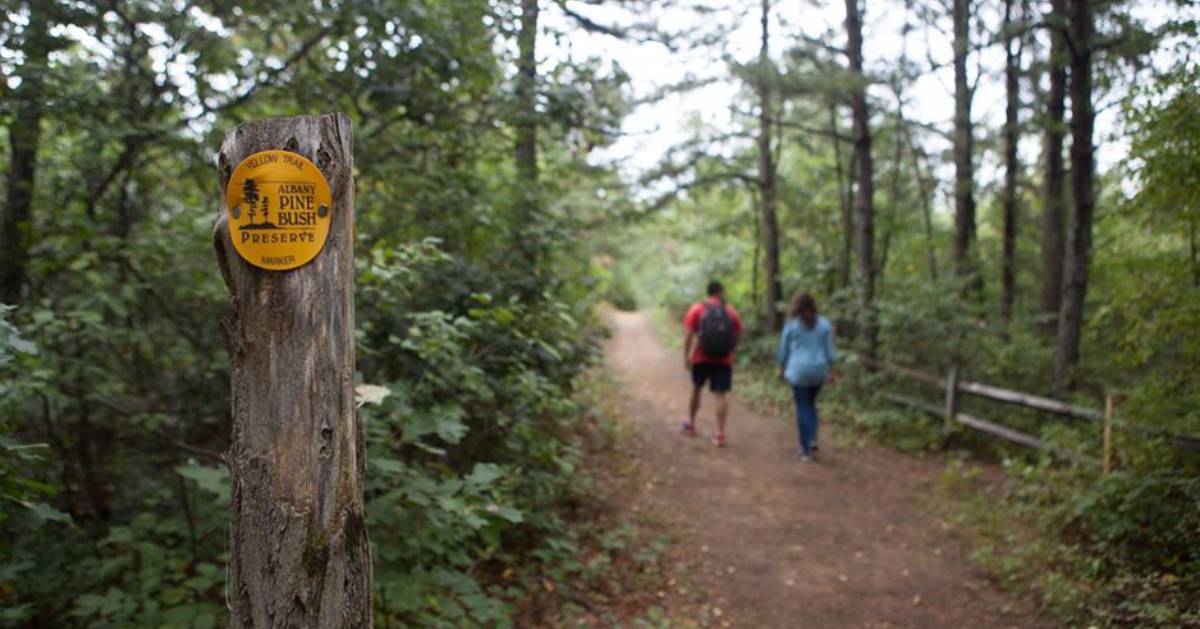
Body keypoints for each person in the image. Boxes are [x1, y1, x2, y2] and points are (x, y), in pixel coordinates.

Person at [777, 292, 838, 462]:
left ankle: (805, 450)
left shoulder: (791, 325)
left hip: (798, 371)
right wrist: (833, 371)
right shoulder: (824, 324)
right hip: (819, 371)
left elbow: (784, 350)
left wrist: (781, 369)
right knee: (811, 404)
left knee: (803, 406)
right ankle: (812, 439)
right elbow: (830, 350)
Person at [682, 280, 743, 447]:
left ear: (708, 293)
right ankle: (720, 434)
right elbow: (738, 333)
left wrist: (686, 356)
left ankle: (691, 425)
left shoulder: (697, 309)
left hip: (700, 358)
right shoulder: (730, 311)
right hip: (723, 360)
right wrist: (732, 351)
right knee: (720, 395)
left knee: (696, 390)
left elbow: (688, 335)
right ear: (720, 292)